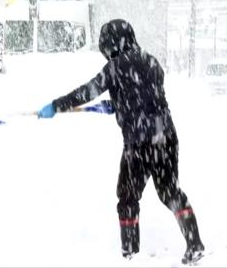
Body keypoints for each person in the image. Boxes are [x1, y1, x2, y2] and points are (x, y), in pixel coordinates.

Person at [37, 19, 205, 264]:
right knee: (170, 192)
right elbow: (146, 97)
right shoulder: (152, 61)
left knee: (127, 197)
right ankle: (194, 243)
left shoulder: (114, 67)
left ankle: (129, 255)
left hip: (139, 142)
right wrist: (117, 105)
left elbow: (87, 92)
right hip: (165, 136)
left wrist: (56, 105)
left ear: (110, 44)